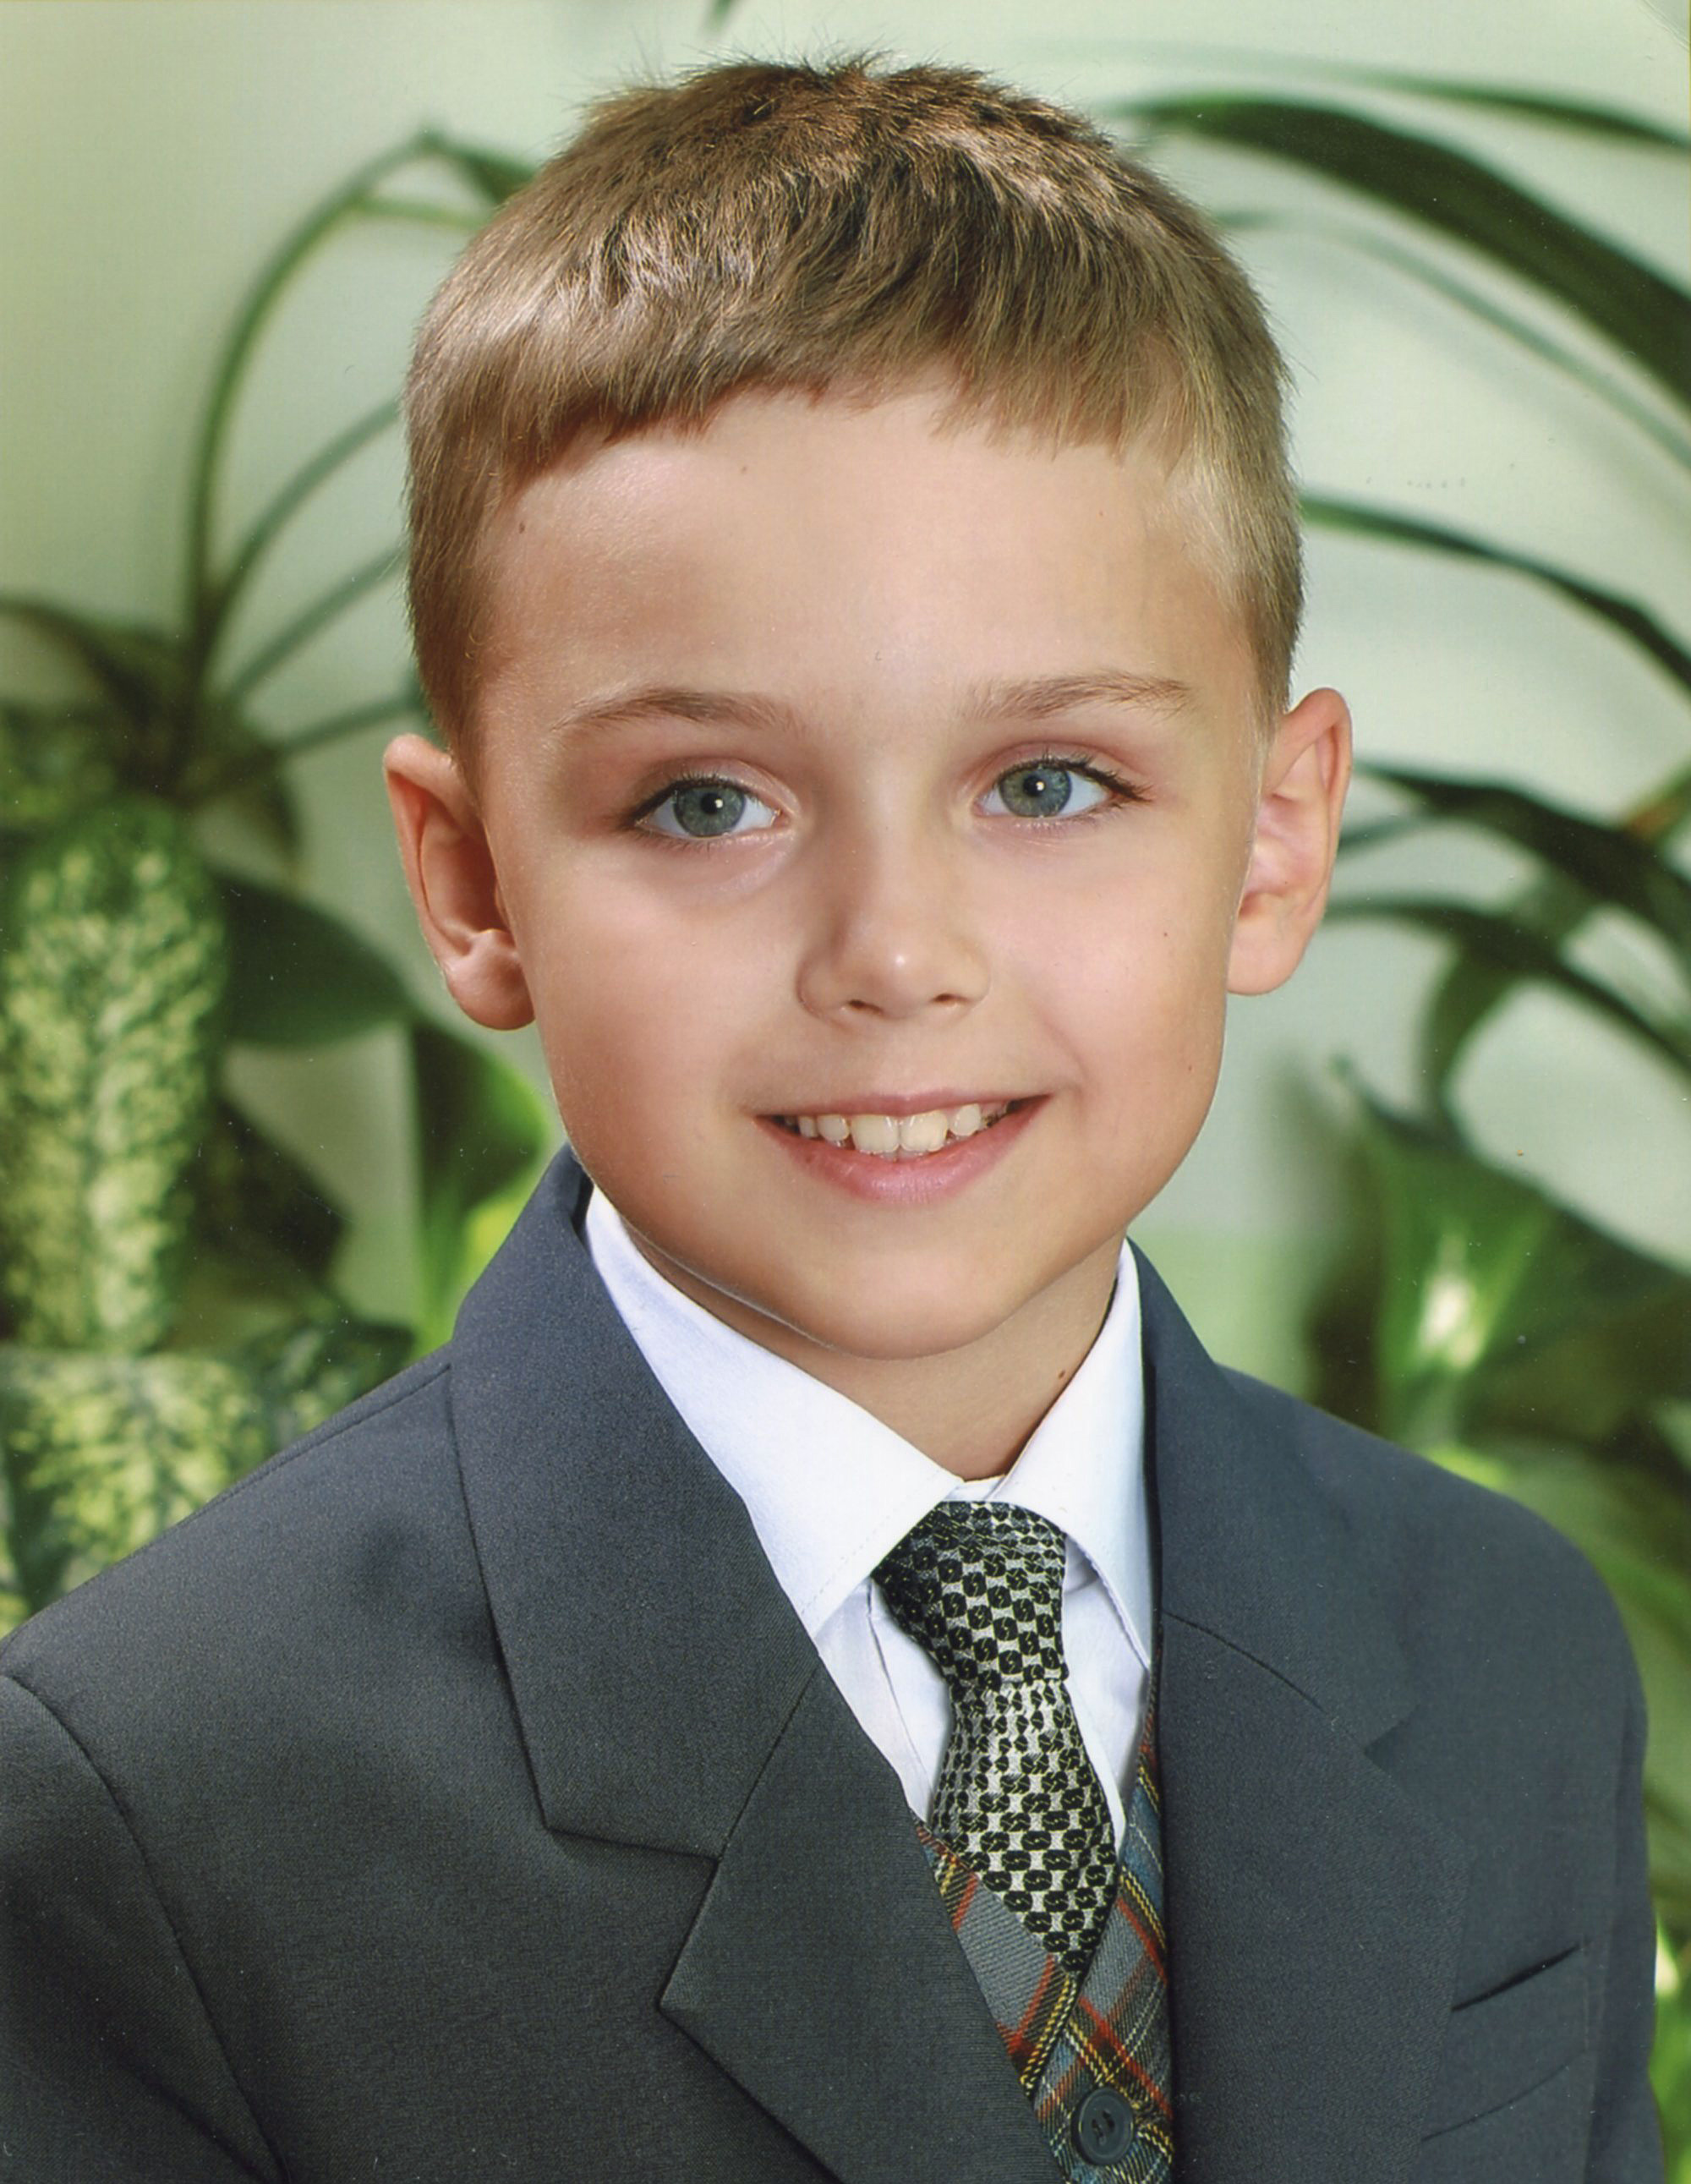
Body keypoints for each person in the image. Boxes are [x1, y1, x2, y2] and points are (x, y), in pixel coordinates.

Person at [0, 56, 1661, 2184]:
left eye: (1046, 782)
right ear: (475, 882)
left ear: (1271, 840)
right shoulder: (159, 1795)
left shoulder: (1504, 1643)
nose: (892, 953)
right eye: (707, 801)